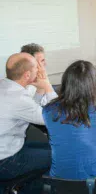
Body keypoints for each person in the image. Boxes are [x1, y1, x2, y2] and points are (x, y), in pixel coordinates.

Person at [0, 53, 57, 192]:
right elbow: (55, 118)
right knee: (60, 155)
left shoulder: (4, 85)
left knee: (52, 147)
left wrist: (39, 89)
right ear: (26, 75)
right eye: (37, 68)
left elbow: (31, 111)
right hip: (6, 161)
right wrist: (48, 86)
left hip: (10, 147)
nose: (40, 70)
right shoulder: (18, 98)